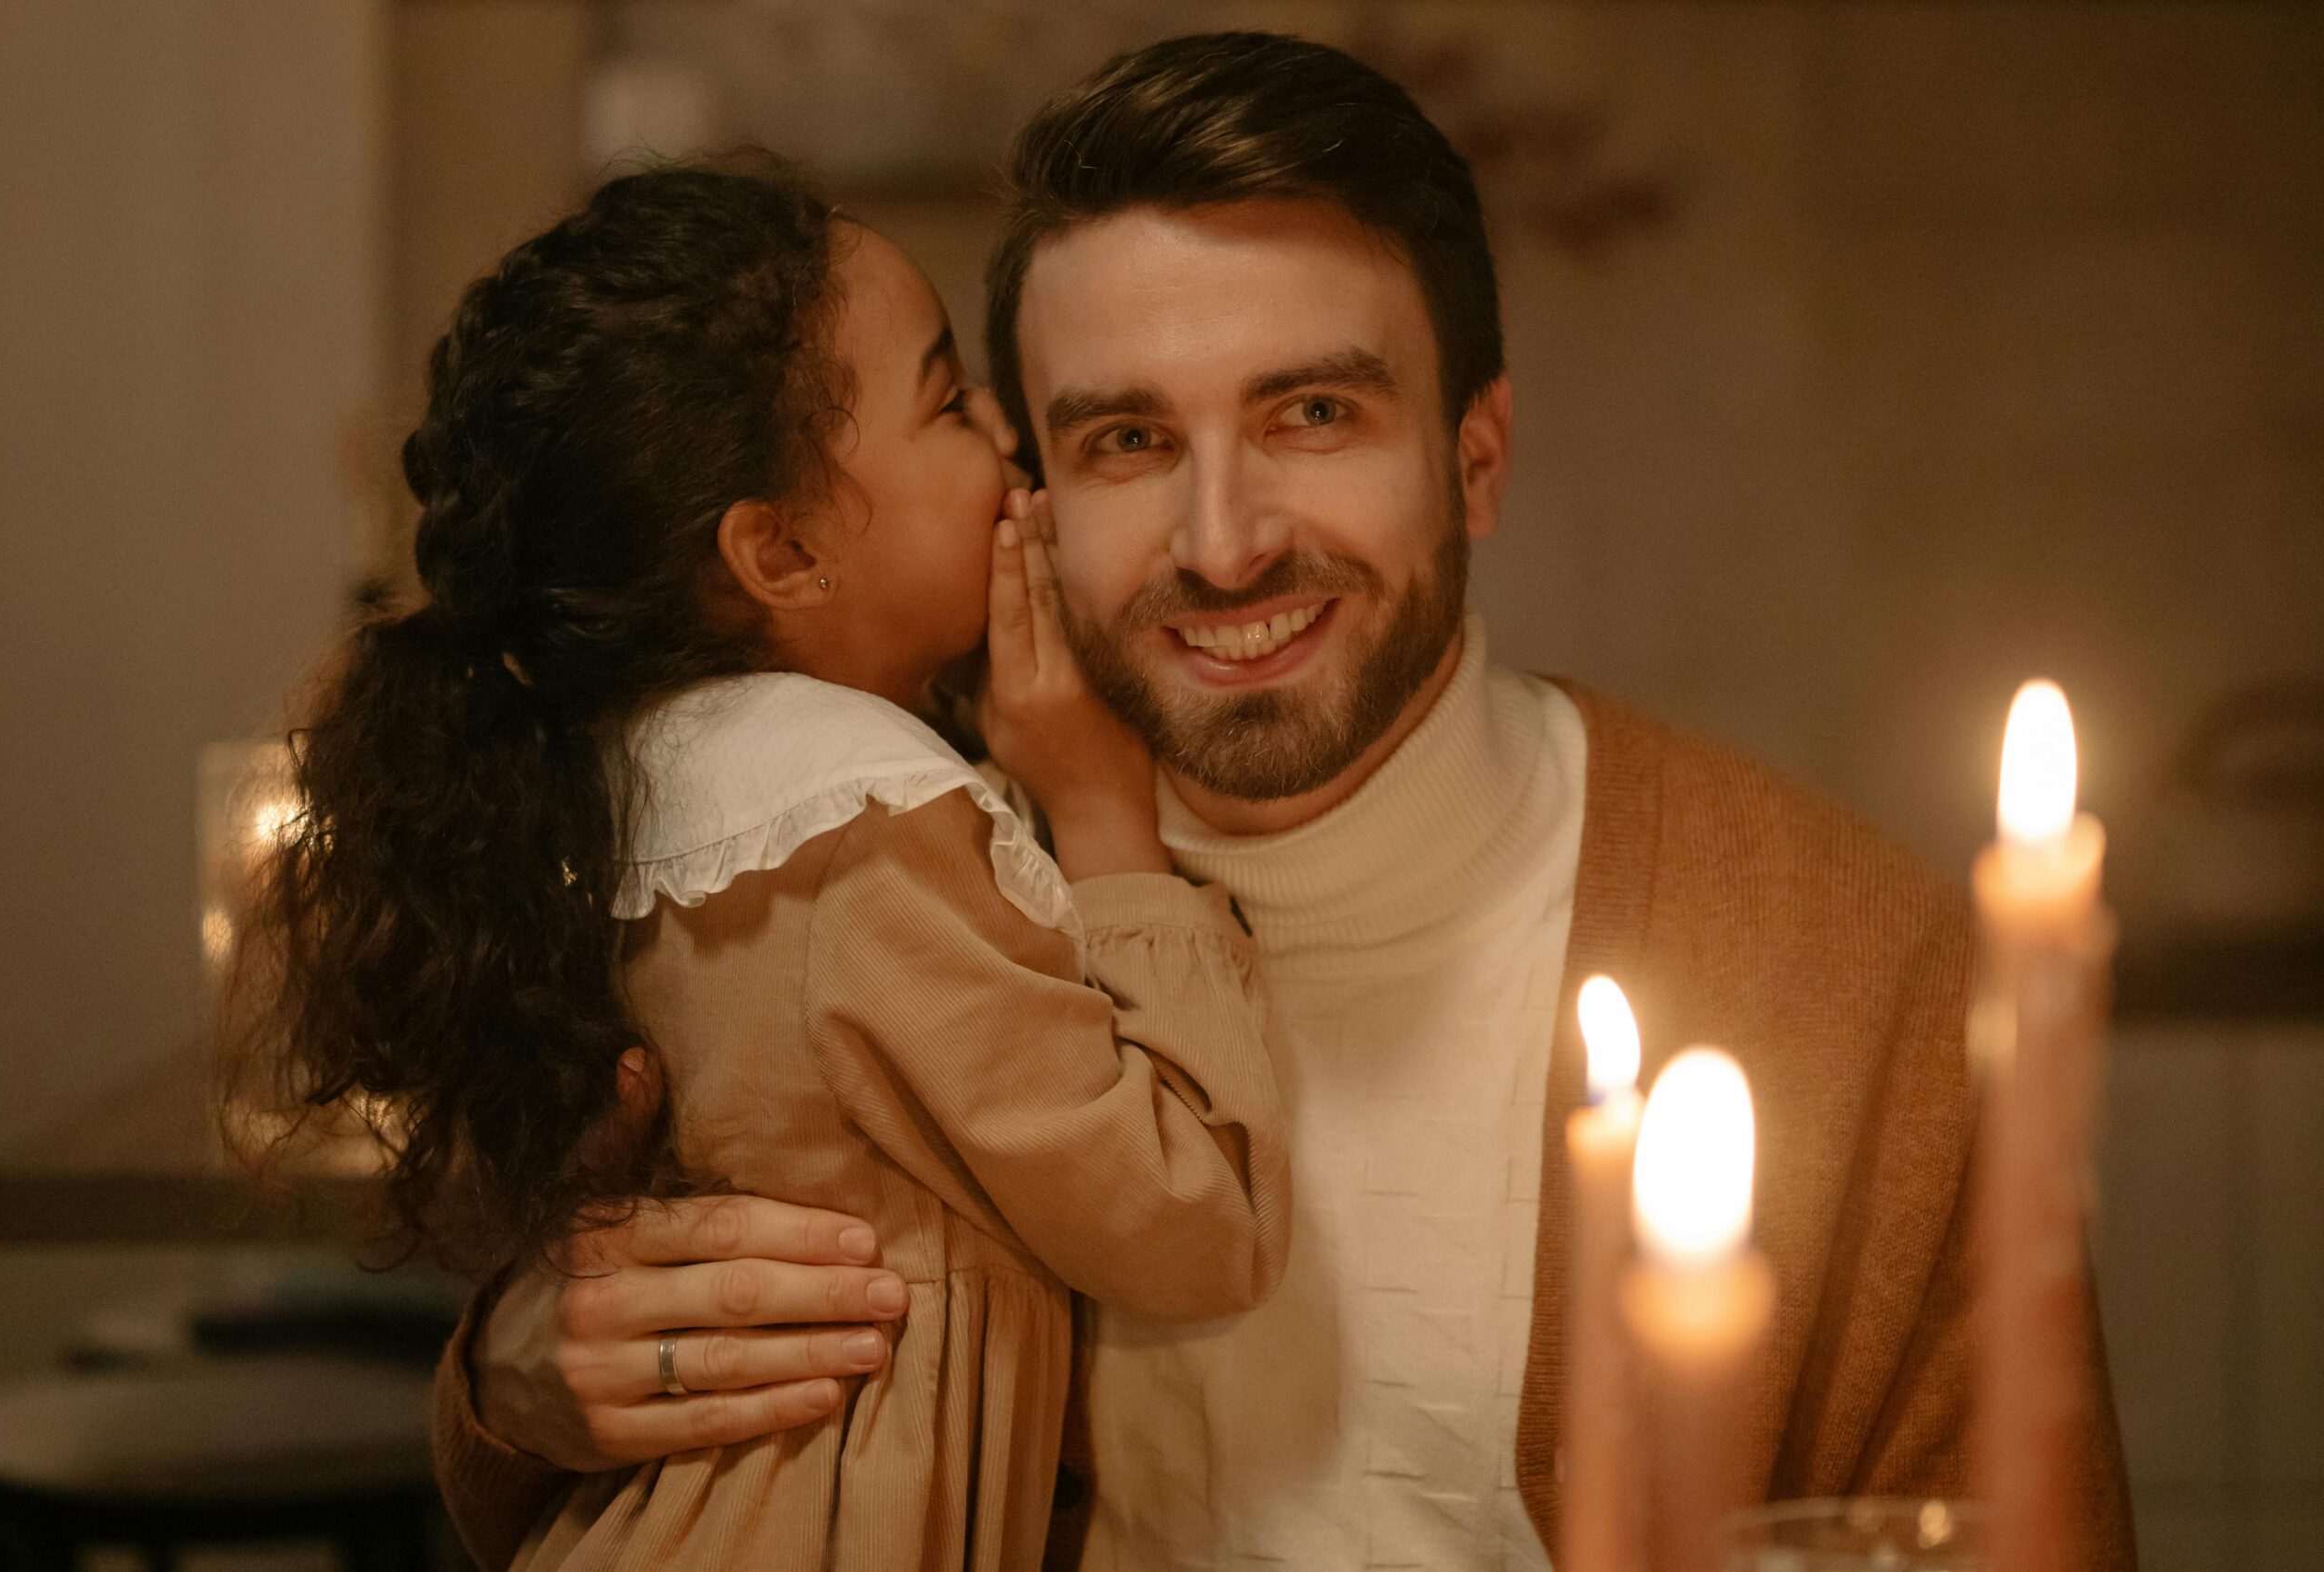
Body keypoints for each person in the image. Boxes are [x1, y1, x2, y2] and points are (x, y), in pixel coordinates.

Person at [427, 34, 2138, 1572]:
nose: (1228, 541)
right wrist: (515, 1375)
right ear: (1021, 488)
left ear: (1475, 457)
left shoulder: (1839, 969)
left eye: (1313, 414)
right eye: (1124, 441)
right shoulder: (865, 904)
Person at [230, 159, 1291, 1570]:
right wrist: (1105, 821)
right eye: (948, 398)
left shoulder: (681, 789)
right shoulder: (857, 825)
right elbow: (1189, 1220)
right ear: (781, 550)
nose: (1009, 443)